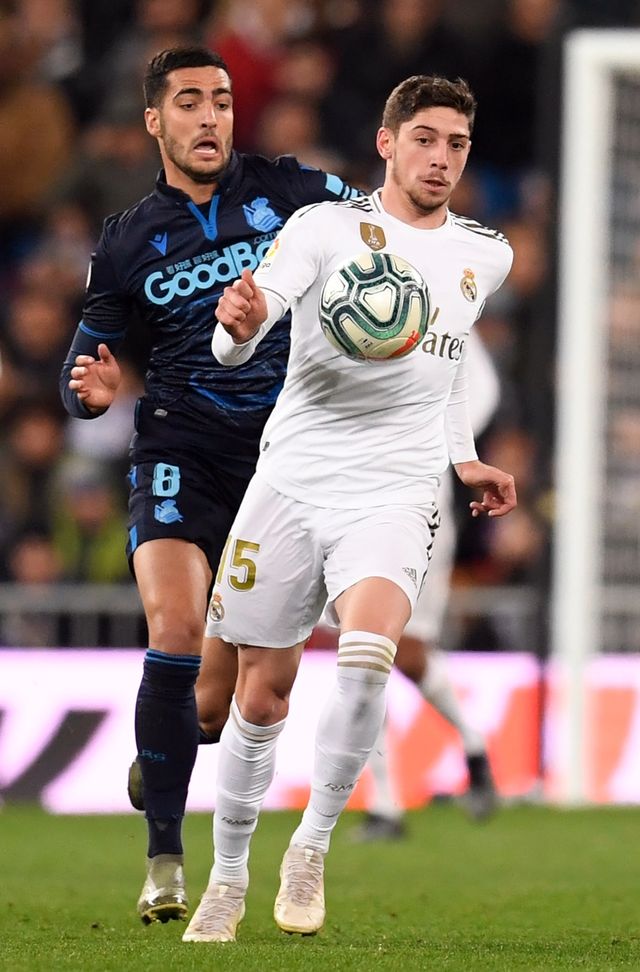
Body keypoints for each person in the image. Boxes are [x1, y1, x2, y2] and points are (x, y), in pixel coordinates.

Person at [183, 73, 516, 944]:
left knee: (371, 653)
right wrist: (238, 322)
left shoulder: (486, 254)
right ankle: (225, 876)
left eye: (457, 144)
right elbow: (235, 343)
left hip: (396, 490)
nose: (441, 158)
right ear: (387, 141)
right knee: (258, 695)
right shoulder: (323, 229)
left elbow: (444, 367)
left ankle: (313, 847)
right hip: (292, 479)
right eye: (426, 140)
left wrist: (464, 458)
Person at [59, 45, 360, 925]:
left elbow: (381, 226)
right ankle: (164, 861)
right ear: (155, 121)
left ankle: (164, 749)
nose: (209, 117)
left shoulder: (292, 190)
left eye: (222, 101)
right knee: (176, 627)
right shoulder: (125, 239)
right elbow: (87, 358)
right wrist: (92, 391)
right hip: (177, 450)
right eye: (189, 102)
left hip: (281, 463)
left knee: (214, 706)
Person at [355, 327, 502, 840]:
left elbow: (482, 387)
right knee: (363, 652)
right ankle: (386, 804)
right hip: (349, 495)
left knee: (408, 654)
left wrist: (443, 445)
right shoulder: (347, 284)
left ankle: (474, 743)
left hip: (421, 503)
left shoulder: (447, 297)